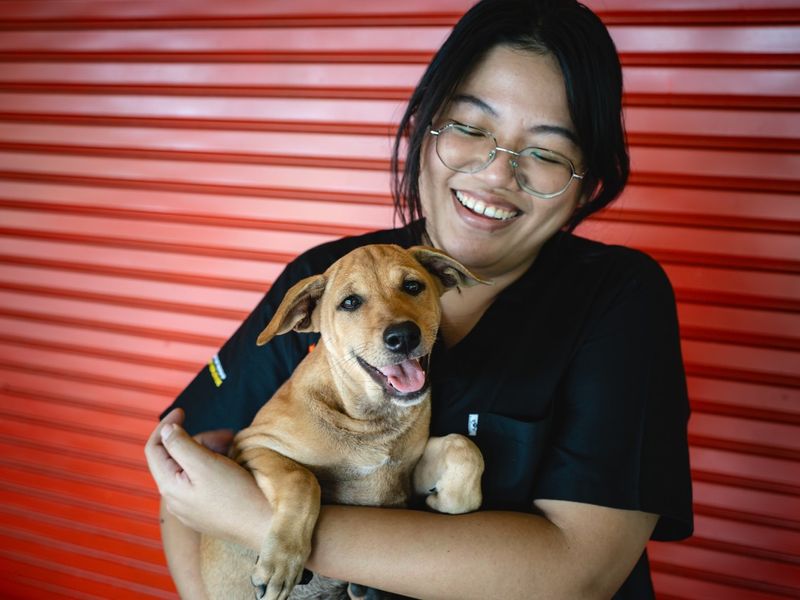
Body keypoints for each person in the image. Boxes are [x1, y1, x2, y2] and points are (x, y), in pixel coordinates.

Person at [145, 0, 693, 598]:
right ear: (425, 124)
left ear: (586, 177)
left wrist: (264, 524)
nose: (496, 173)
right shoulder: (325, 279)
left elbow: (578, 574)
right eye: (470, 127)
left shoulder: (618, 299)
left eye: (544, 151)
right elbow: (187, 485)